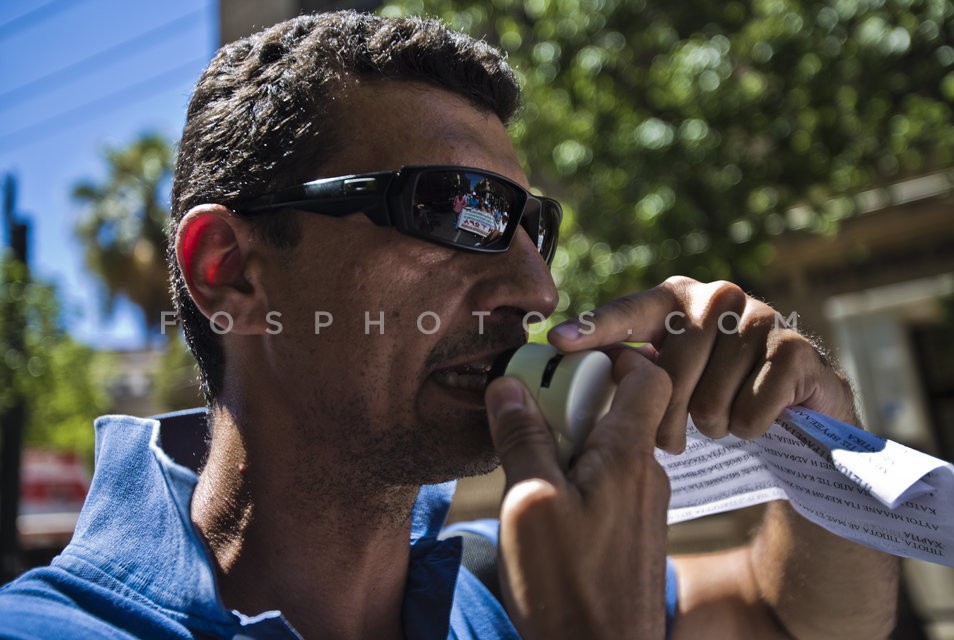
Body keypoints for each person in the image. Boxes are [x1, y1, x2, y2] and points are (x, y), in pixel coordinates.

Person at [0, 11, 898, 640]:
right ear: (229, 270)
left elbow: (801, 618)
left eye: (532, 227)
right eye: (458, 209)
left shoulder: (502, 592)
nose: (538, 288)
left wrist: (814, 437)